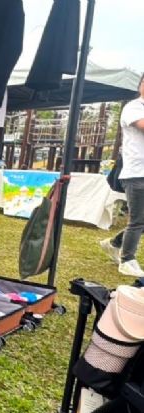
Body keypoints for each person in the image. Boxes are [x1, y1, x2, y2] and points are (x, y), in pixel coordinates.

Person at [100, 73, 144, 278]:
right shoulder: (134, 107)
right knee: (137, 219)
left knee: (141, 220)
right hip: (136, 172)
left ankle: (114, 243)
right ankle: (127, 260)